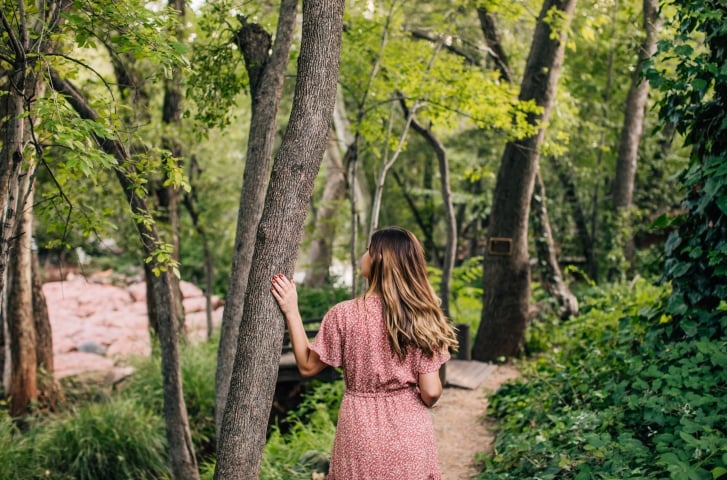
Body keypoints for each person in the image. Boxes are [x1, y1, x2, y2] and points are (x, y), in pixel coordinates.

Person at [271, 226, 458, 479]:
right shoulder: (422, 318)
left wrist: (291, 309)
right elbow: (432, 391)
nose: (364, 255)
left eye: (368, 250)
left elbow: (306, 366)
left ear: (379, 259)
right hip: (410, 431)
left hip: (360, 430)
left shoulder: (344, 314)